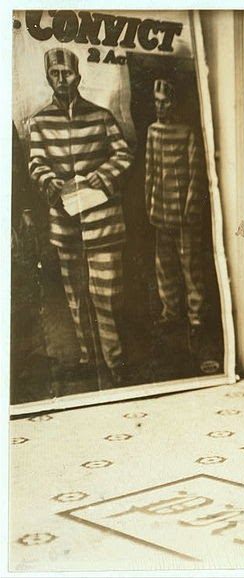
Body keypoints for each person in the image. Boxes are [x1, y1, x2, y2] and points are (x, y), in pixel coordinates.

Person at [27, 48, 133, 387]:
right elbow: (36, 163)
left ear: (79, 75)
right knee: (76, 296)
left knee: (107, 295)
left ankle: (115, 363)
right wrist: (50, 182)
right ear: (48, 77)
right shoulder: (40, 122)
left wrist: (101, 175)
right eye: (55, 74)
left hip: (104, 223)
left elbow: (123, 154)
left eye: (67, 73)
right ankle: (89, 359)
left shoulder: (101, 116)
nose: (62, 80)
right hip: (66, 225)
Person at [144, 78, 208, 355]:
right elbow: (150, 172)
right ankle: (170, 311)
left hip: (183, 215)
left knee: (190, 267)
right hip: (161, 212)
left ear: (174, 102)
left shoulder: (186, 132)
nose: (160, 106)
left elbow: (195, 174)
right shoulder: (153, 131)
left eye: (165, 101)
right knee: (164, 265)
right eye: (156, 101)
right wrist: (150, 204)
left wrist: (190, 207)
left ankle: (196, 317)